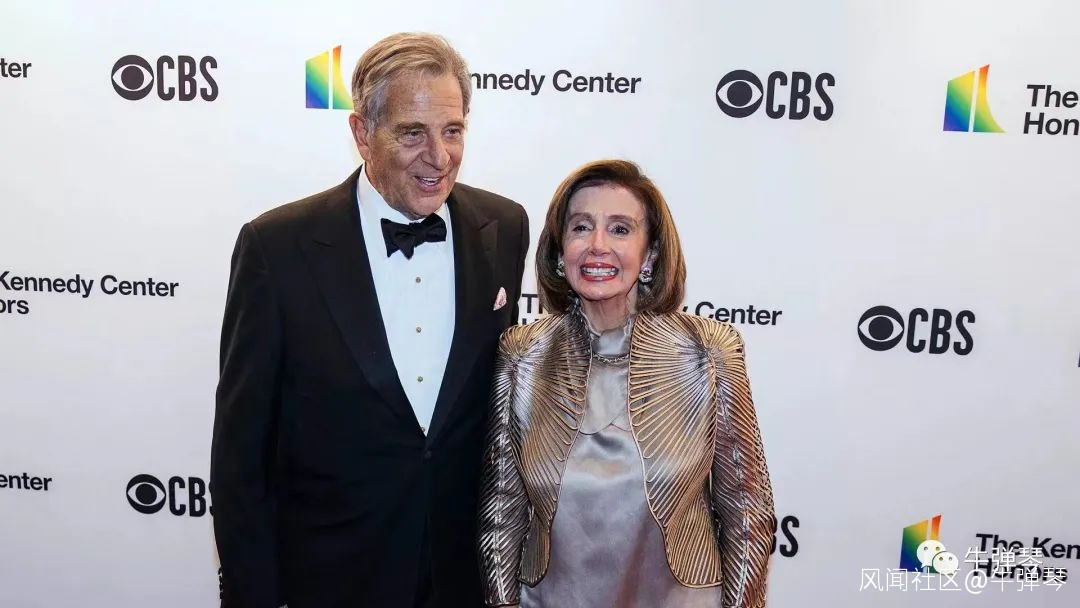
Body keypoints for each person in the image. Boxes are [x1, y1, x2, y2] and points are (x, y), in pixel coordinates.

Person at [211, 32, 529, 608]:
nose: (439, 156)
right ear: (362, 133)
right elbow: (241, 454)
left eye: (452, 130)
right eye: (412, 133)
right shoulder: (277, 248)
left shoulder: (503, 227)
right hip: (331, 576)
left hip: (463, 576)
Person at [478, 160, 775, 608]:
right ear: (559, 251)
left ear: (650, 254)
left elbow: (748, 514)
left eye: (620, 229)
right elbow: (501, 516)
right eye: (581, 227)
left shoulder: (708, 351)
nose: (597, 246)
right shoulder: (523, 355)